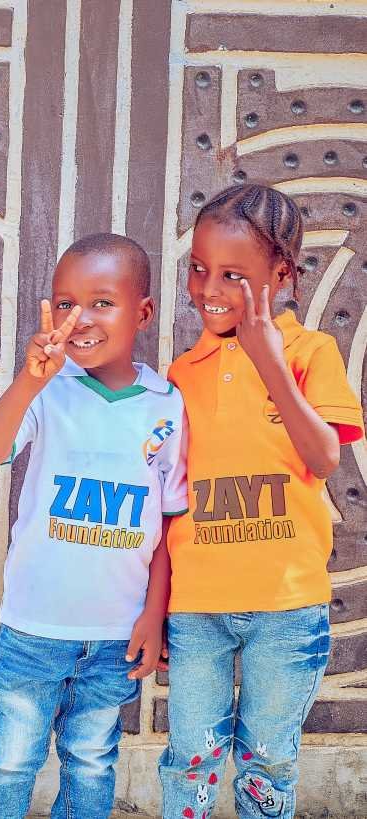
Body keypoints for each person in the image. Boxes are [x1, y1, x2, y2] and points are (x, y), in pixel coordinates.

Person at [159, 184, 363, 819]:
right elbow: (167, 499)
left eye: (233, 275)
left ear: (281, 274)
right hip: (198, 608)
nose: (208, 289)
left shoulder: (311, 353)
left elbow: (324, 457)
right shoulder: (181, 373)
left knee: (268, 760)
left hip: (286, 607)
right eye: (199, 269)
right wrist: (156, 604)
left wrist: (270, 363)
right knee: (190, 756)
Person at [0, 233, 185, 818]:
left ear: (143, 312)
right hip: (33, 629)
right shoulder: (47, 391)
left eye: (101, 303)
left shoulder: (167, 405)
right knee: (11, 762)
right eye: (65, 303)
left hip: (116, 634)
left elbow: (168, 524)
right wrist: (29, 381)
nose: (80, 318)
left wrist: (155, 615)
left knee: (91, 762)